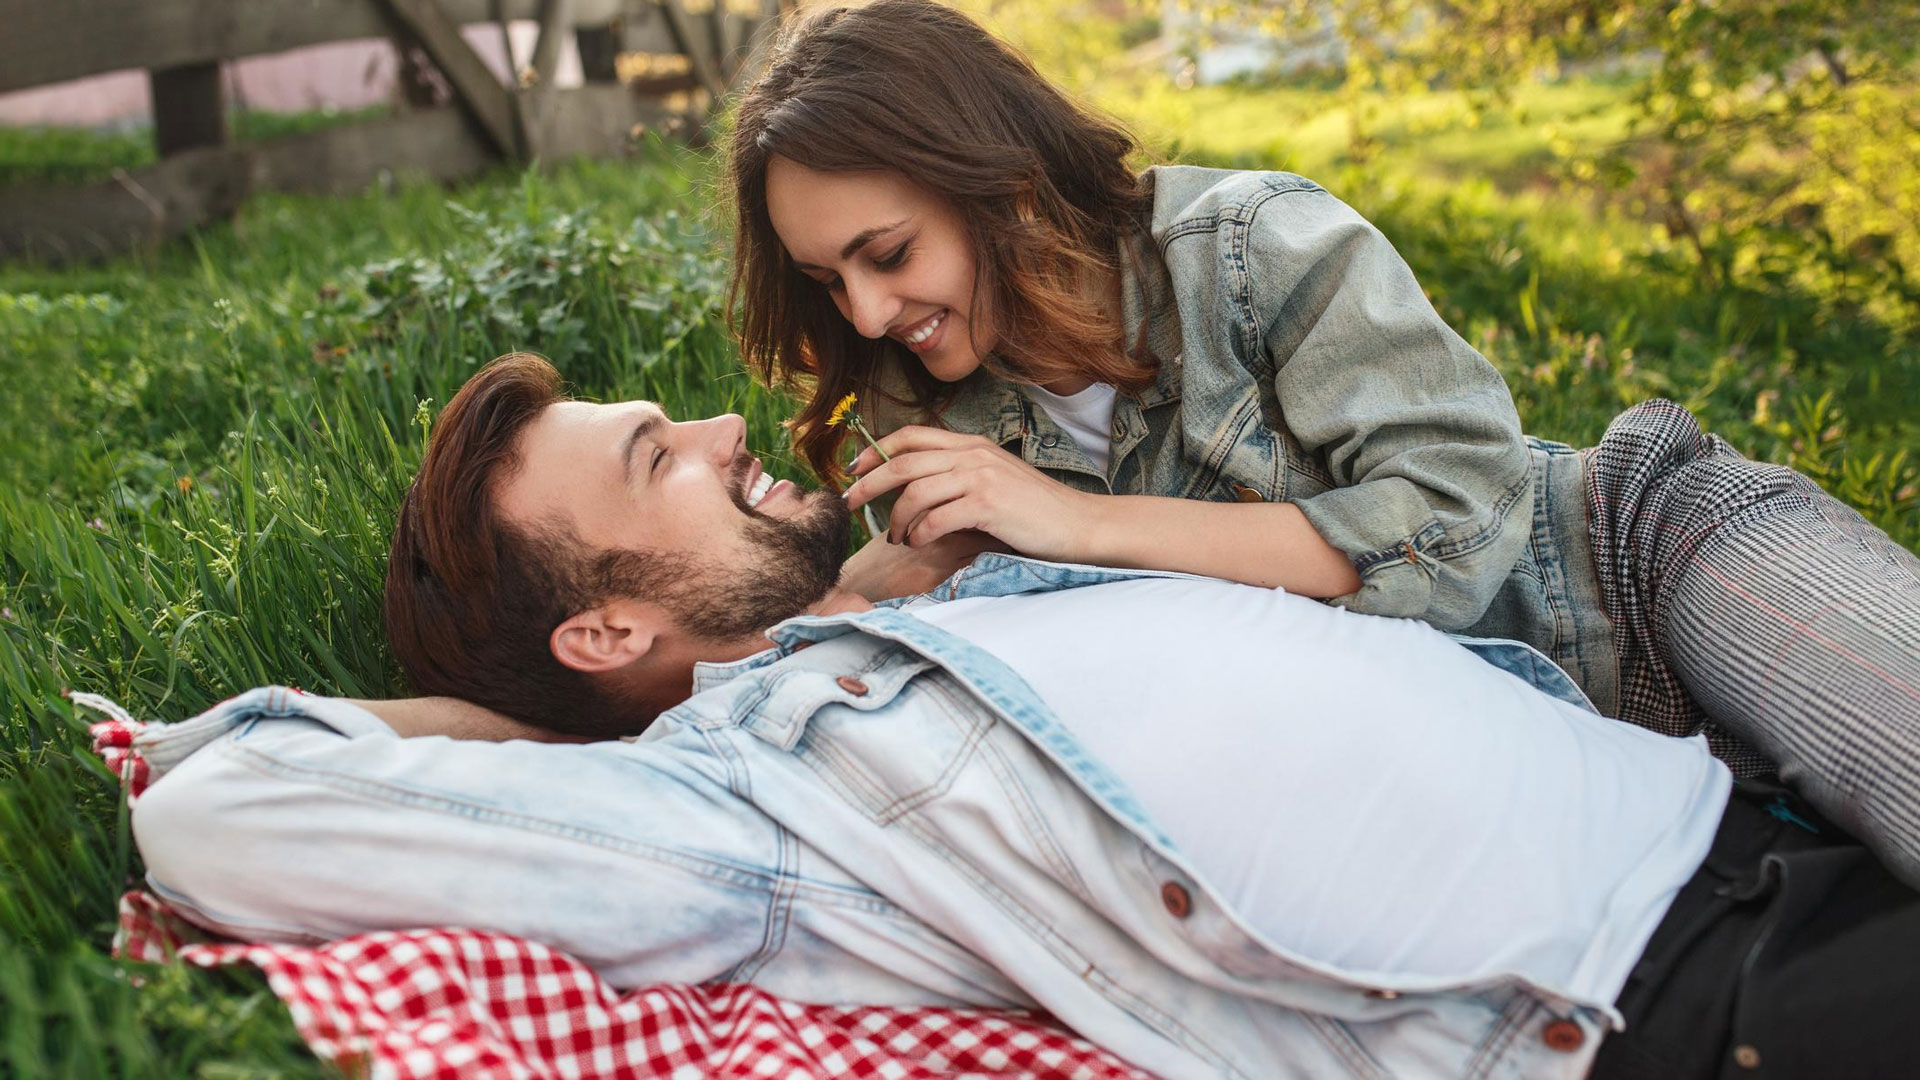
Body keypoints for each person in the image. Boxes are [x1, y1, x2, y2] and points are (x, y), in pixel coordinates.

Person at [128, 354, 1920, 1080]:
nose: (728, 432)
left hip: (1729, 751)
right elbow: (223, 820)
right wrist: (500, 727)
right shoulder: (753, 799)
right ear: (605, 624)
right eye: (658, 461)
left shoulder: (968, 549)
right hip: (1680, 993)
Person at [723, 0, 1920, 887]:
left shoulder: (1249, 249)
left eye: (889, 255)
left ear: (1004, 187)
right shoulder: (912, 399)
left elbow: (1459, 518)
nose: (870, 316)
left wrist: (1079, 526)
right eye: (831, 281)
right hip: (1508, 772)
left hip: (1631, 567)